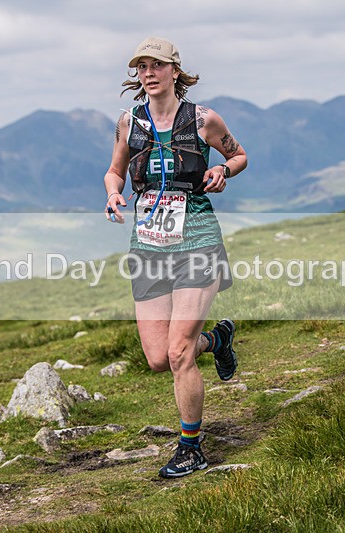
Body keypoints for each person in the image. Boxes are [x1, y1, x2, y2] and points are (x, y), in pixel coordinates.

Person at [104, 37, 247, 478]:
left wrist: (222, 169)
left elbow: (239, 155)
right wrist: (113, 193)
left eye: (156, 65)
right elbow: (115, 169)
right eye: (141, 66)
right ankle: (218, 340)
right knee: (159, 357)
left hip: (197, 239)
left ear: (174, 71)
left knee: (180, 350)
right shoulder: (129, 122)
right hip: (148, 245)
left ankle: (191, 446)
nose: (148, 73)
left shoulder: (203, 119)